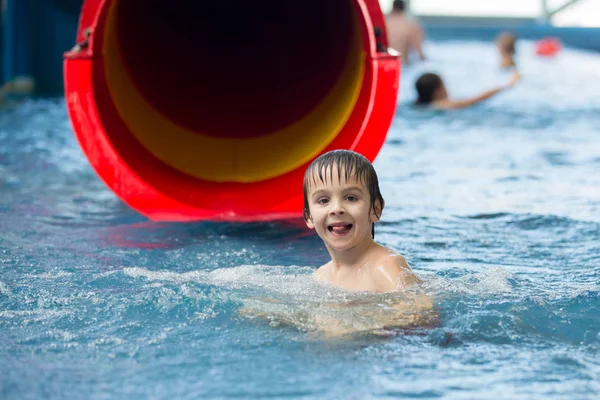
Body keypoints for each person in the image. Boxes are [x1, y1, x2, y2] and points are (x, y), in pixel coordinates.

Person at [303, 149, 424, 293]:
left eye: (351, 198)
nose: (336, 209)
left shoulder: (386, 267)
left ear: (375, 209)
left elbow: (420, 313)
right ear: (309, 216)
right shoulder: (320, 276)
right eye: (323, 200)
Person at [415, 70, 521, 110]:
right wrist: (508, 85)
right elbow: (477, 99)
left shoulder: (420, 107)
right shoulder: (445, 104)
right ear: (437, 91)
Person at [385, 0, 425, 65]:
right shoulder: (411, 25)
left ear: (392, 8)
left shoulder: (384, 24)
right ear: (404, 9)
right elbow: (419, 53)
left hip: (387, 65)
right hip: (402, 65)